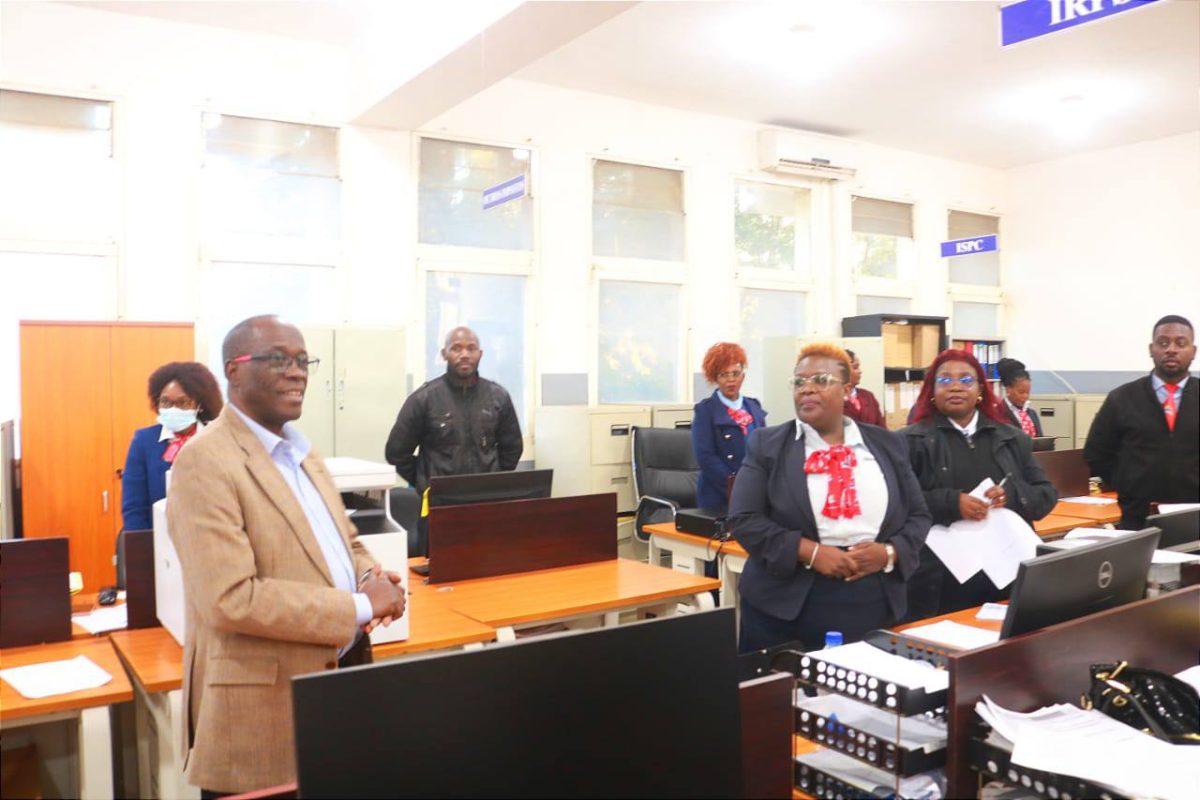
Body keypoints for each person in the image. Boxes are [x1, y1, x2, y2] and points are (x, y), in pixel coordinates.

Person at [167, 315, 405, 796]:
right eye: (278, 359)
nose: (296, 371)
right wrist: (362, 606)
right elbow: (231, 598)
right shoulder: (204, 461)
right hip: (261, 714)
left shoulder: (302, 452)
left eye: (302, 360)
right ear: (234, 371)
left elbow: (346, 540)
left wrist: (369, 576)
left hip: (337, 691)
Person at [728, 343, 931, 653]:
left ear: (847, 390)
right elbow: (744, 519)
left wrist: (889, 553)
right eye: (799, 381)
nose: (807, 389)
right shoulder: (767, 445)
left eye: (821, 380)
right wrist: (811, 552)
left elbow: (918, 515)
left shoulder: (887, 444)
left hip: (872, 598)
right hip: (785, 604)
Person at [902, 349, 1058, 621]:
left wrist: (1011, 495)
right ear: (931, 391)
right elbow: (898, 505)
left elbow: (1045, 496)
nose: (955, 387)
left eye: (966, 380)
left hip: (1005, 571)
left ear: (980, 391)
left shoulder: (1012, 439)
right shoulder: (909, 441)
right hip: (940, 578)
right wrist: (951, 503)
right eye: (944, 380)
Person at [384, 327, 523, 552]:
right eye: (456, 348)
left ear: (480, 354)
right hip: (438, 507)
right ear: (444, 354)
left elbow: (512, 448)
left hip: (487, 505)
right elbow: (396, 452)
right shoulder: (424, 399)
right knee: (438, 567)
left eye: (471, 348)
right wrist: (426, 480)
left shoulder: (498, 397)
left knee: (487, 564)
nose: (464, 354)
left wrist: (493, 479)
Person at [1084, 315, 1198, 530]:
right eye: (1163, 343)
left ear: (1193, 351)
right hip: (1137, 517)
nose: (1171, 349)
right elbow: (1096, 453)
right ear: (1151, 349)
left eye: (1180, 343)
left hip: (1195, 517)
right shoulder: (1122, 398)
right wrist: (1129, 485)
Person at [121, 362, 223, 531]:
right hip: (158, 538)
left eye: (183, 402)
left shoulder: (217, 439)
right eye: (166, 402)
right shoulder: (144, 442)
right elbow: (134, 509)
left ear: (199, 405)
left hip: (211, 536)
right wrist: (145, 544)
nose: (174, 409)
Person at [691, 342, 767, 511]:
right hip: (719, 495)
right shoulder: (706, 410)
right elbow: (705, 457)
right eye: (724, 375)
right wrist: (736, 485)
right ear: (715, 378)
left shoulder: (753, 406)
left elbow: (764, 450)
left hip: (754, 491)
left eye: (735, 374)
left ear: (743, 376)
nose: (731, 380)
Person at [997, 357, 1043, 438]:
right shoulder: (998, 414)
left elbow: (1041, 439)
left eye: (1027, 392)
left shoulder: (1032, 414)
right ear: (1008, 389)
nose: (1025, 396)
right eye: (1021, 392)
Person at [843, 349, 886, 428]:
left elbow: (882, 429)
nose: (860, 371)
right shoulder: (832, 400)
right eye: (855, 367)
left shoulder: (868, 396)